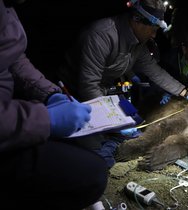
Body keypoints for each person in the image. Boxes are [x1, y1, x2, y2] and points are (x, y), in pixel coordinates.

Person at [0, 0, 108, 209]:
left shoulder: (7, 6)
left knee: (80, 150)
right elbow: (89, 81)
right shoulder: (103, 35)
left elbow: (13, 58)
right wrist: (44, 119)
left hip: (9, 112)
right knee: (91, 175)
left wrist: (49, 94)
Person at [57, 0, 188, 103]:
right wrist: (111, 120)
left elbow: (156, 72)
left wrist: (185, 93)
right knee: (96, 145)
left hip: (103, 91)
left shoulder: (138, 43)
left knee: (133, 125)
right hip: (73, 95)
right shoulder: (101, 36)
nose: (153, 35)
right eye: (152, 30)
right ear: (137, 21)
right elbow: (88, 86)